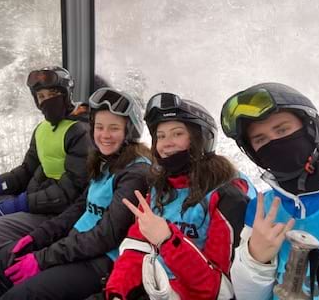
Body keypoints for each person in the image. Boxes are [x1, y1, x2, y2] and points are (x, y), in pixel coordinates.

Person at [0, 87, 151, 299]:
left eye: (114, 128)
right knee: (2, 262)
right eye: (99, 127)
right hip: (79, 247)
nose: (105, 135)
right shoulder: (106, 163)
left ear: (129, 132)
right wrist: (37, 238)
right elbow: (79, 209)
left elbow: (105, 237)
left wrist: (43, 258)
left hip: (103, 262)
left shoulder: (135, 174)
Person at [221, 82, 319, 300]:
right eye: (260, 139)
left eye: (282, 129)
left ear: (310, 128)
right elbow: (248, 296)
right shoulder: (262, 210)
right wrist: (255, 260)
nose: (275, 142)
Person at [0, 66, 91, 293]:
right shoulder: (42, 130)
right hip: (35, 198)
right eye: (41, 97)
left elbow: (70, 192)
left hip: (57, 211)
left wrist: (20, 204)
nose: (47, 101)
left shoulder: (80, 131)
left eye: (53, 95)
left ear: (66, 95)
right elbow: (25, 171)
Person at [106, 92, 252, 300]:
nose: (166, 143)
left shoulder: (225, 196)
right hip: (153, 288)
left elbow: (221, 289)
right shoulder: (160, 187)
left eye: (177, 134)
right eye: (161, 136)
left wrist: (167, 240)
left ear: (200, 138)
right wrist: (117, 292)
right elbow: (136, 248)